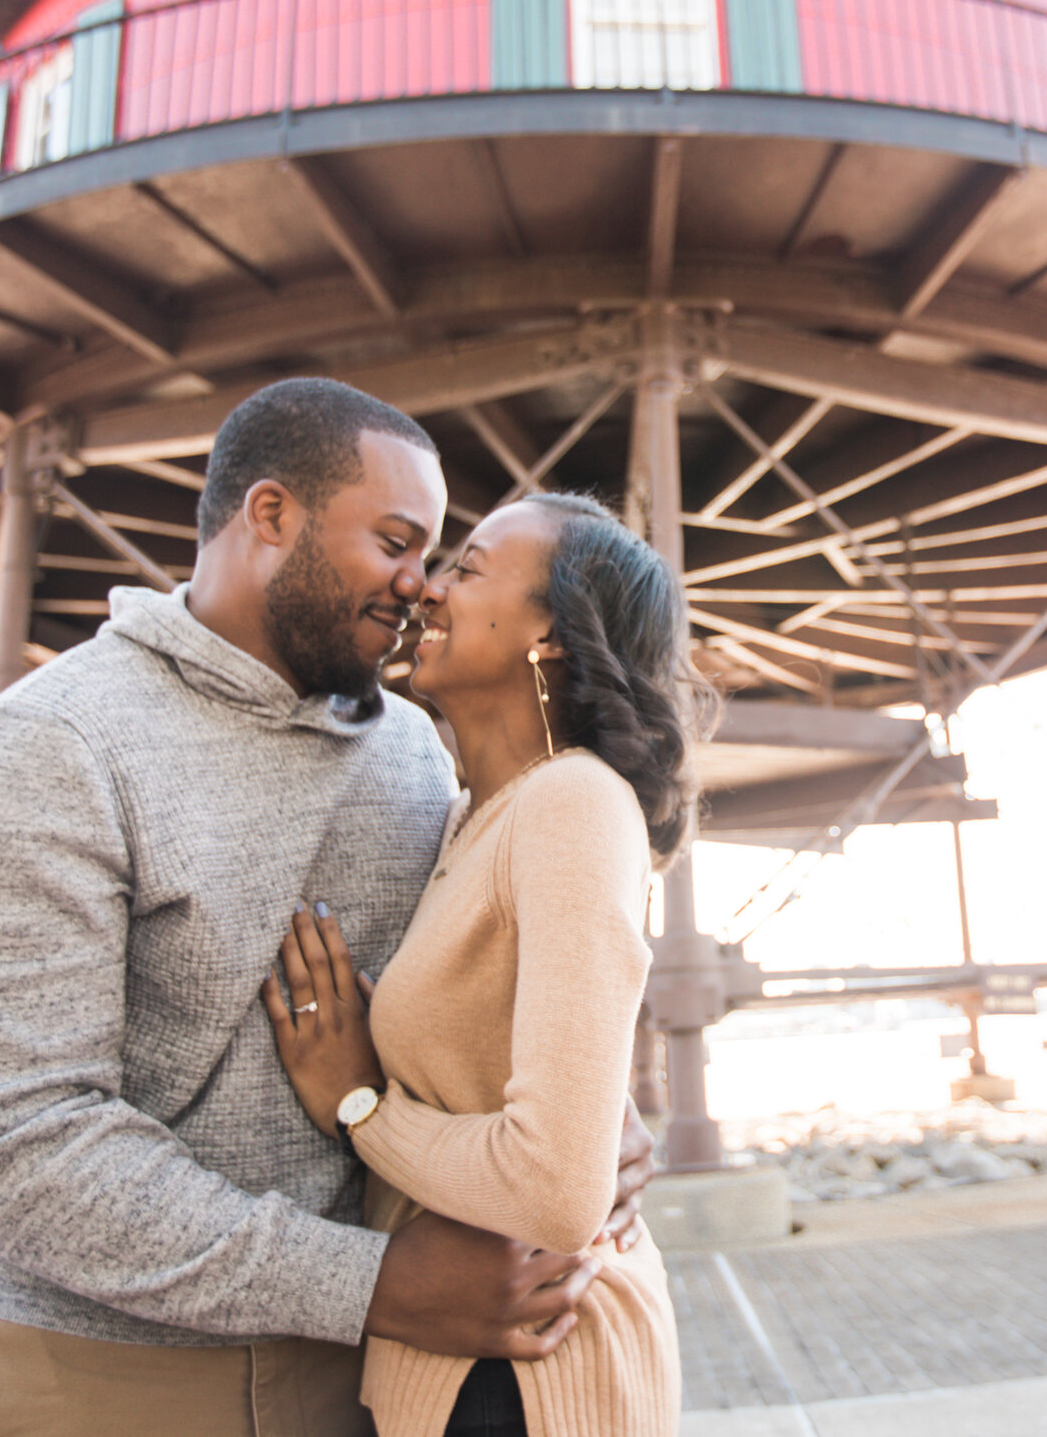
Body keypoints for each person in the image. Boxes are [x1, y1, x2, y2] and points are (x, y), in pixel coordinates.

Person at [0, 380, 655, 1437]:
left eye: (436, 554)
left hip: (350, 1382)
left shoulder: (413, 756)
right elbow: (9, 1142)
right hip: (76, 1374)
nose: (417, 584)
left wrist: (588, 1115)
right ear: (270, 515)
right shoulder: (48, 745)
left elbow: (475, 990)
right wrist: (373, 1281)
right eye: (395, 540)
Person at [269, 492, 711, 1437]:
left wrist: (360, 1107)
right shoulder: (473, 819)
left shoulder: (572, 804)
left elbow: (556, 1187)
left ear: (550, 632)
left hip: (534, 1377)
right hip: (459, 1363)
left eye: (467, 568)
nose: (428, 588)